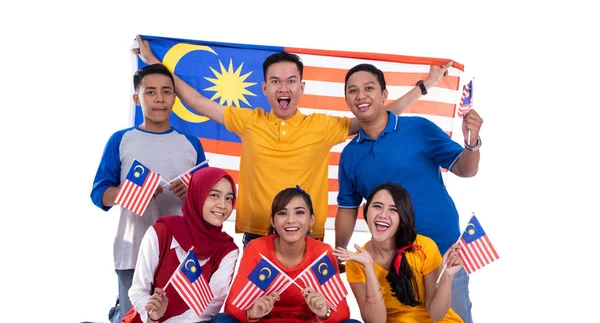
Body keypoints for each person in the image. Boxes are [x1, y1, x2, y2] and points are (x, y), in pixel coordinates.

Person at [133, 35, 450, 248]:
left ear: (301, 87)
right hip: (258, 235)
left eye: (290, 81)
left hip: (308, 237)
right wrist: (154, 64)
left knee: (307, 320)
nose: (283, 87)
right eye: (275, 81)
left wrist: (425, 86)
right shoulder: (249, 120)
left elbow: (377, 113)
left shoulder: (321, 126)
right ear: (266, 88)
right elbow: (198, 102)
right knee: (260, 319)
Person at [335, 63, 483, 323]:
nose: (361, 96)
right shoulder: (349, 156)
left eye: (369, 88)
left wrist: (471, 142)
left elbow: (465, 169)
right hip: (394, 264)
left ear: (383, 94)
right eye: (353, 91)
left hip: (442, 250)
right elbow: (347, 208)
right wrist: (340, 250)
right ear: (346, 99)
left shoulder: (419, 129)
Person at [332, 183, 517, 323]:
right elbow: (377, 322)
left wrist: (446, 277)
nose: (383, 214)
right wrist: (368, 268)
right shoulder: (357, 261)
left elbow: (436, 314)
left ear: (403, 216)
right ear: (365, 211)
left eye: (393, 209)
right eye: (377, 206)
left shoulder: (425, 247)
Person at [71, 167, 239, 323]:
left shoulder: (228, 250)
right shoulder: (162, 231)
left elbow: (208, 308)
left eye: (228, 198)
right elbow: (139, 289)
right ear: (197, 194)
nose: (222, 205)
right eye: (213, 195)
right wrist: (153, 316)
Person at [91, 63, 207, 323]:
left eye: (166, 92)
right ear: (137, 98)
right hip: (133, 248)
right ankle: (118, 321)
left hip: (180, 251)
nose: (159, 99)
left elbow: (211, 198)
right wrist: (129, 193)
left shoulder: (191, 144)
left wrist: (192, 194)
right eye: (150, 92)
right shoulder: (121, 140)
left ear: (175, 98)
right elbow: (99, 194)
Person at [210, 186, 363, 323]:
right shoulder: (258, 249)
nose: (291, 220)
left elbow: (342, 315)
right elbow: (232, 309)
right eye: (283, 213)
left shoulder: (322, 253)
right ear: (273, 221)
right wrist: (252, 313)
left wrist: (324, 311)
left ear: (311, 220)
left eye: (299, 212)